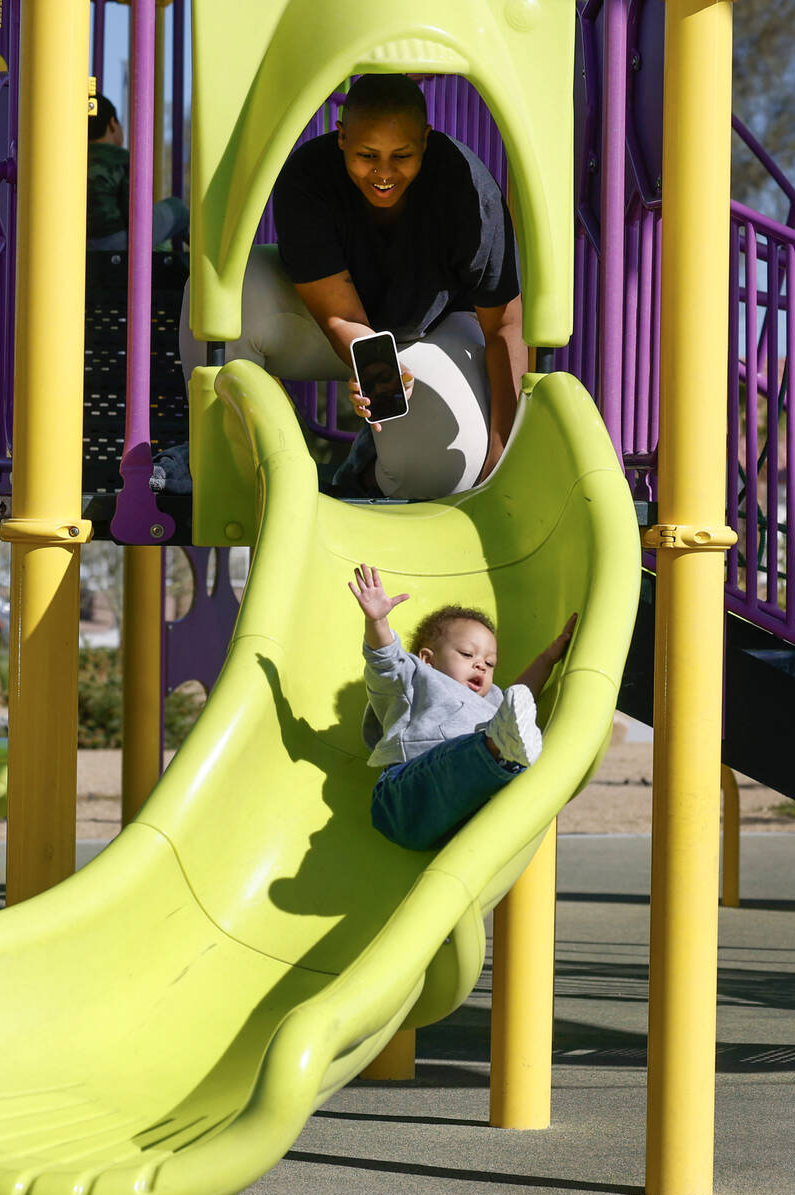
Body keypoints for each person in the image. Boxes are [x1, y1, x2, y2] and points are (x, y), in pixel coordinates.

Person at [179, 73, 526, 499]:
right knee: (216, 291)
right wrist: (377, 368)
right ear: (341, 137)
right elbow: (341, 315)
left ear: (426, 139)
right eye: (367, 154)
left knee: (446, 470)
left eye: (402, 155)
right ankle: (234, 455)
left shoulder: (469, 193)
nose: (383, 173)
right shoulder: (308, 178)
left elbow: (503, 329)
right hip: (324, 324)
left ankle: (366, 468)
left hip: (430, 329)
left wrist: (500, 456)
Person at [348, 563, 576, 851]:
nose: (480, 663)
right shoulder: (417, 678)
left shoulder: (491, 701)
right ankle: (497, 751)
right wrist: (377, 621)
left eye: (490, 663)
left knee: (505, 724)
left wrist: (547, 659)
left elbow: (520, 699)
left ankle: (500, 752)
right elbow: (385, 660)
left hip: (463, 812)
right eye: (467, 654)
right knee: (479, 748)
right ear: (428, 659)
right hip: (408, 800)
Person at [87, 94, 189, 252]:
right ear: (112, 124)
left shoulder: (73, 160)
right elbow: (135, 213)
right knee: (178, 209)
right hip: (115, 240)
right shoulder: (120, 158)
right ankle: (210, 266)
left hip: (81, 244)